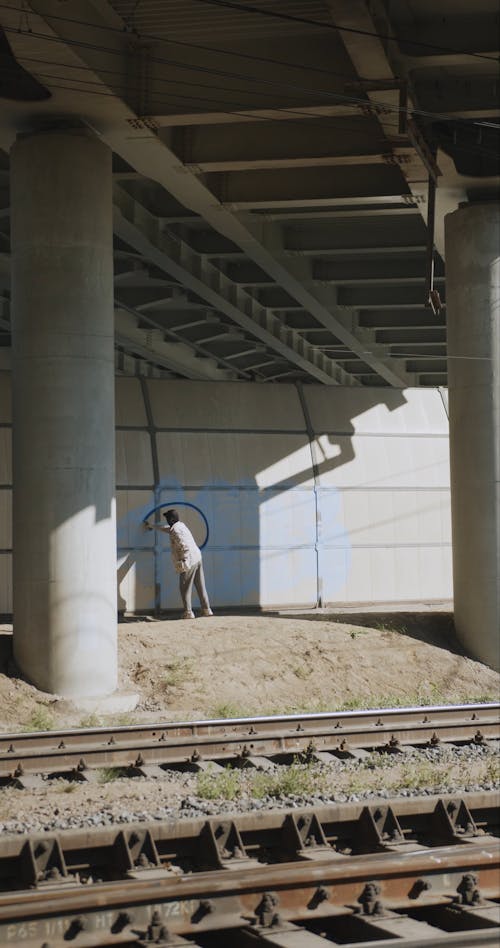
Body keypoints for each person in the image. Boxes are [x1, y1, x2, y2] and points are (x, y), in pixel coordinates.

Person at [145, 509, 213, 619]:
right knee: (200, 585)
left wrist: (184, 561)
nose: (166, 521)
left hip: (189, 559)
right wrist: (152, 526)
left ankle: (188, 612)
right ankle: (206, 610)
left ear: (171, 519)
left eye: (167, 519)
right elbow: (168, 529)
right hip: (197, 557)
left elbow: (183, 544)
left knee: (184, 587)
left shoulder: (176, 531)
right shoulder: (180, 526)